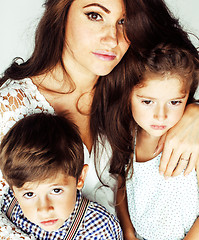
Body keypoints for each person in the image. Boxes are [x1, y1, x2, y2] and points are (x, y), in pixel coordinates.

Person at [0, 0, 199, 237]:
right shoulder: (12, 106)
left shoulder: (133, 94)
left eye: (124, 22)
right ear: (61, 13)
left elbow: (176, 78)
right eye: (94, 15)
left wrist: (194, 112)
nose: (112, 38)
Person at [111, 44, 199, 240]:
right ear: (129, 96)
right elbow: (122, 186)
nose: (161, 116)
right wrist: (128, 232)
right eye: (147, 102)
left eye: (174, 102)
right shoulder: (130, 135)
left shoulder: (192, 143)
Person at [0, 113, 123, 240]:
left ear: (80, 178)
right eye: (29, 194)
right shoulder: (9, 202)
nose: (44, 210)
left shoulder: (99, 229)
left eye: (56, 190)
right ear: (13, 190)